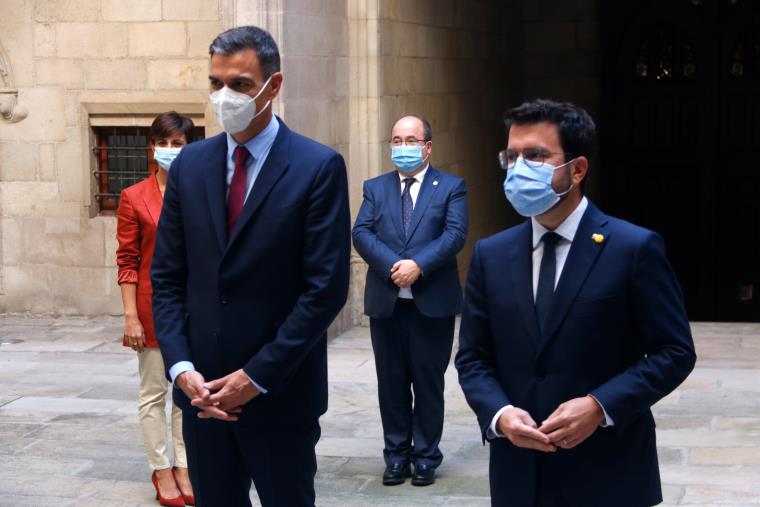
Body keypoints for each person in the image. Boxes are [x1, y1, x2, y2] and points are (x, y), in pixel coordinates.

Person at [455, 99, 697, 506]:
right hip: (519, 476)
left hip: (608, 473)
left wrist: (599, 406)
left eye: (535, 156)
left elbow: (673, 352)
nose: (519, 168)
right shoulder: (490, 255)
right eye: (511, 156)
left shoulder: (633, 248)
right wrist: (499, 415)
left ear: (577, 168)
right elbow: (473, 358)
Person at [150, 26, 350, 507]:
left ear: (273, 85)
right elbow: (168, 279)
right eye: (216, 83)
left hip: (279, 395)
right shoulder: (191, 166)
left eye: (239, 84)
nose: (224, 96)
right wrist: (181, 369)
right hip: (202, 397)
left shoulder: (316, 166)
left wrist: (255, 377)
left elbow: (324, 289)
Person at [352, 115, 468, 486]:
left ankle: (425, 456)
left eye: (410, 140)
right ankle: (396, 455)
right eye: (397, 140)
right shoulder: (376, 187)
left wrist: (418, 265)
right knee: (392, 383)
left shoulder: (451, 187)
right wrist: (392, 266)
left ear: (428, 146)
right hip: (387, 303)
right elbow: (361, 232)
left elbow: (454, 234)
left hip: (431, 303)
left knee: (428, 382)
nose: (403, 147)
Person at [116, 111, 196, 507]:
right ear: (152, 147)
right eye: (162, 143)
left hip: (194, 308)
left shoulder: (201, 192)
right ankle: (161, 469)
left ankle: (184, 465)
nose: (168, 150)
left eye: (177, 144)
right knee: (153, 392)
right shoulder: (134, 197)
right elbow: (127, 261)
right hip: (149, 309)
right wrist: (130, 316)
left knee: (187, 391)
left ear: (189, 147)